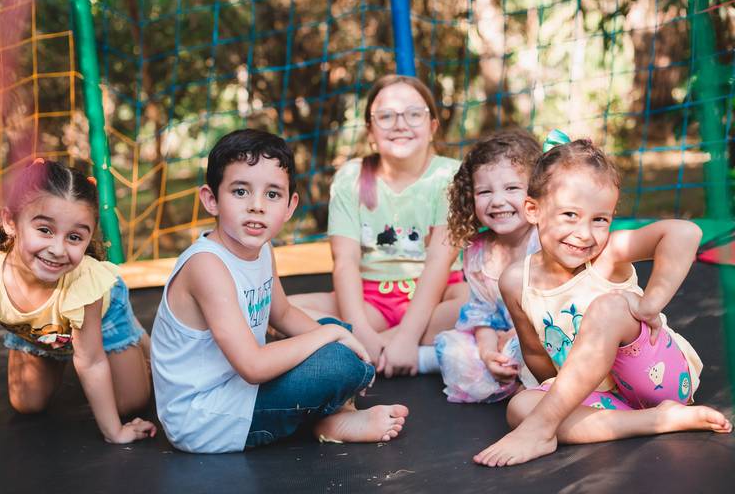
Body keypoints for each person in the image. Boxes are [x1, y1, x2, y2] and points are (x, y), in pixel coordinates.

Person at [474, 134, 732, 467]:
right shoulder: (515, 281)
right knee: (519, 407)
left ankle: (542, 428)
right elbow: (536, 353)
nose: (584, 234)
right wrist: (552, 396)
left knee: (609, 307)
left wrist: (650, 303)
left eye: (600, 219)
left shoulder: (608, 255)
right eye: (570, 215)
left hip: (657, 378)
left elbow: (685, 233)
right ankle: (658, 421)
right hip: (603, 400)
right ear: (533, 210)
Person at [150, 129, 408, 453]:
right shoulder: (207, 266)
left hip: (240, 389)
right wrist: (330, 338)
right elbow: (253, 366)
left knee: (341, 335)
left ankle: (339, 413)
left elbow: (282, 313)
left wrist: (338, 336)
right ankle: (330, 417)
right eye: (241, 191)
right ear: (211, 199)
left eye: (272, 195)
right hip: (206, 418)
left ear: (289, 206)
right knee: (338, 355)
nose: (257, 206)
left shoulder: (261, 248)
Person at [289, 75, 468, 377]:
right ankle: (370, 343)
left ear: (433, 126)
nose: (400, 124)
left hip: (438, 295)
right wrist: (360, 328)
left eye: (414, 114)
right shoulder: (351, 177)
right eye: (385, 116)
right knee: (275, 312)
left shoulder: (450, 175)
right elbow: (345, 261)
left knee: (477, 305)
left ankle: (364, 347)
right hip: (372, 298)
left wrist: (405, 338)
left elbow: (440, 261)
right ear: (370, 131)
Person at [0, 158, 155, 443]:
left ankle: (138, 338)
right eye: (44, 230)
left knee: (128, 404)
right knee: (26, 404)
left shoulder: (85, 279)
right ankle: (58, 354)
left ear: (89, 238)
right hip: (40, 332)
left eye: (75, 237)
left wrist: (115, 433)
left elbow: (90, 361)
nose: (57, 249)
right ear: (10, 222)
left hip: (103, 318)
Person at [434, 129, 541, 404]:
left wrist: (515, 338)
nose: (497, 201)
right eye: (484, 191)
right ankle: (508, 379)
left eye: (512, 188)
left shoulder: (547, 240)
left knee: (534, 347)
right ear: (471, 197)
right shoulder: (477, 251)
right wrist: (487, 352)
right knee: (453, 349)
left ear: (538, 190)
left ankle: (534, 385)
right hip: (503, 341)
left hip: (545, 335)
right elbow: (482, 313)